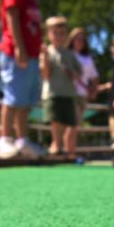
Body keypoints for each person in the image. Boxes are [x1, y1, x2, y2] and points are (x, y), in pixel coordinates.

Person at [0, 0, 47, 159]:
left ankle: (23, 140)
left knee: (26, 100)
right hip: (16, 53)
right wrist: (19, 47)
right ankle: (4, 139)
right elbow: (12, 14)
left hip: (31, 54)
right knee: (13, 97)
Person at [41, 17, 82, 157]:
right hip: (52, 93)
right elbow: (46, 74)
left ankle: (65, 148)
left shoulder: (70, 54)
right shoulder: (46, 52)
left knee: (68, 122)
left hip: (68, 93)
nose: (59, 36)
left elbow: (79, 73)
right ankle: (56, 145)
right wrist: (45, 58)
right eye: (55, 33)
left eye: (62, 33)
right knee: (56, 120)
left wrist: (74, 74)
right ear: (48, 34)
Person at [66, 27, 99, 154]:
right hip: (70, 94)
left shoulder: (87, 58)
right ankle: (69, 153)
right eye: (77, 39)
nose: (80, 41)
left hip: (83, 94)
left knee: (77, 124)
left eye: (82, 39)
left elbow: (95, 77)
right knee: (72, 124)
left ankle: (71, 151)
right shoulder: (67, 55)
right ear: (72, 40)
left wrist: (94, 90)